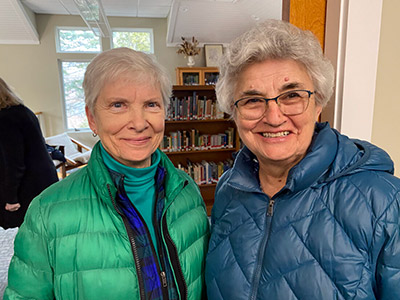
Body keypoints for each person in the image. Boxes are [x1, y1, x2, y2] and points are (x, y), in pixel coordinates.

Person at [205, 20, 400, 300]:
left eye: (292, 96)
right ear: (233, 113)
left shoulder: (385, 201)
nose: (273, 117)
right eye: (252, 101)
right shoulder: (228, 190)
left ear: (318, 102)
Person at [4, 48, 210, 299]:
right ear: (92, 118)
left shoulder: (188, 191)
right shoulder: (47, 213)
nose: (138, 122)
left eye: (151, 104)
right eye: (118, 105)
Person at [0, 78, 58, 229]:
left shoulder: (5, 119)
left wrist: (10, 197)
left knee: (33, 233)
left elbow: (13, 162)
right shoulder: (23, 111)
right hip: (43, 180)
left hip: (28, 186)